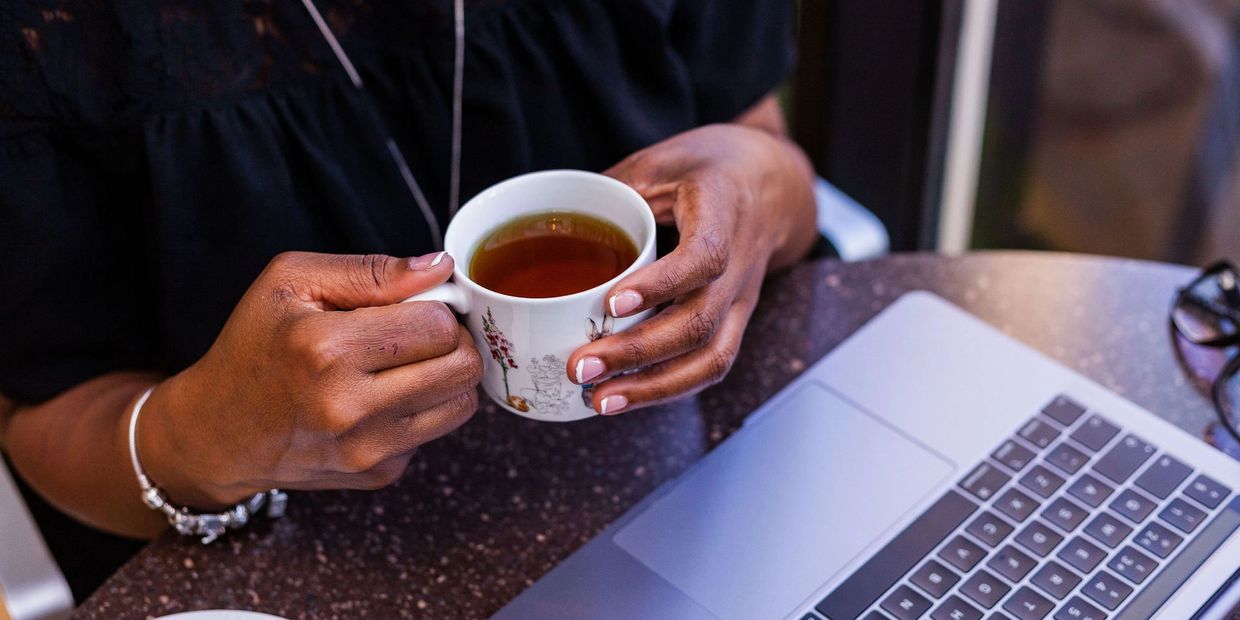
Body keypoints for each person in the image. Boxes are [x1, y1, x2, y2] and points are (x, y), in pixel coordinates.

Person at [0, 0, 816, 589]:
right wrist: (207, 436)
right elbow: (43, 411)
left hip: (700, 492)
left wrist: (761, 183)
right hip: (303, 574)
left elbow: (767, 154)